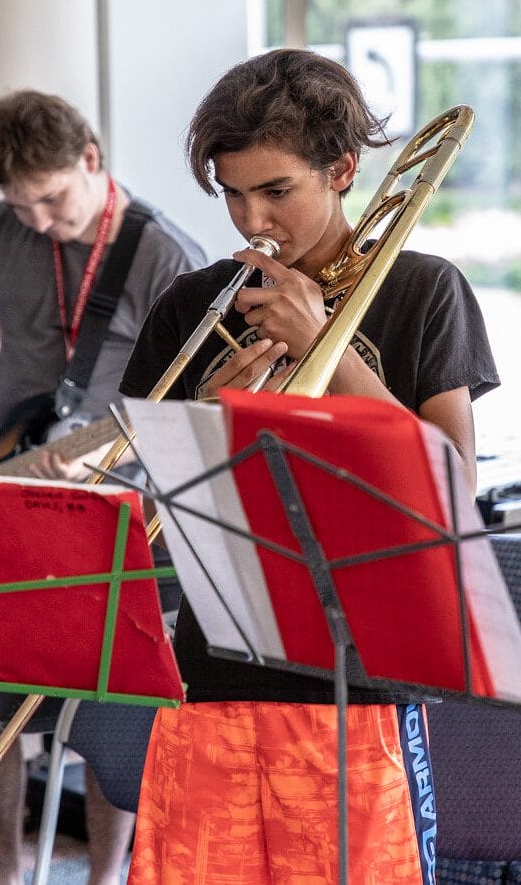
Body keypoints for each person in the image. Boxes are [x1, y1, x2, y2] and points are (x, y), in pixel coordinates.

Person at [119, 49, 500, 884]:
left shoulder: (423, 291)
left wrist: (330, 347)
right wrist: (208, 415)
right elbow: (144, 503)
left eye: (276, 191)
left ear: (343, 169)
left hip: (360, 684)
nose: (252, 217)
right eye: (232, 193)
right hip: (213, 671)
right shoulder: (194, 305)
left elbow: (453, 491)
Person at [0, 89, 205, 885]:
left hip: (122, 515)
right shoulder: (5, 229)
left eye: (51, 199)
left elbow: (192, 403)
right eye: (22, 206)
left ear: (92, 159)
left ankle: (109, 874)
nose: (40, 221)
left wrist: (102, 449)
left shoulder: (164, 254)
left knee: (112, 712)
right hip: (11, 498)